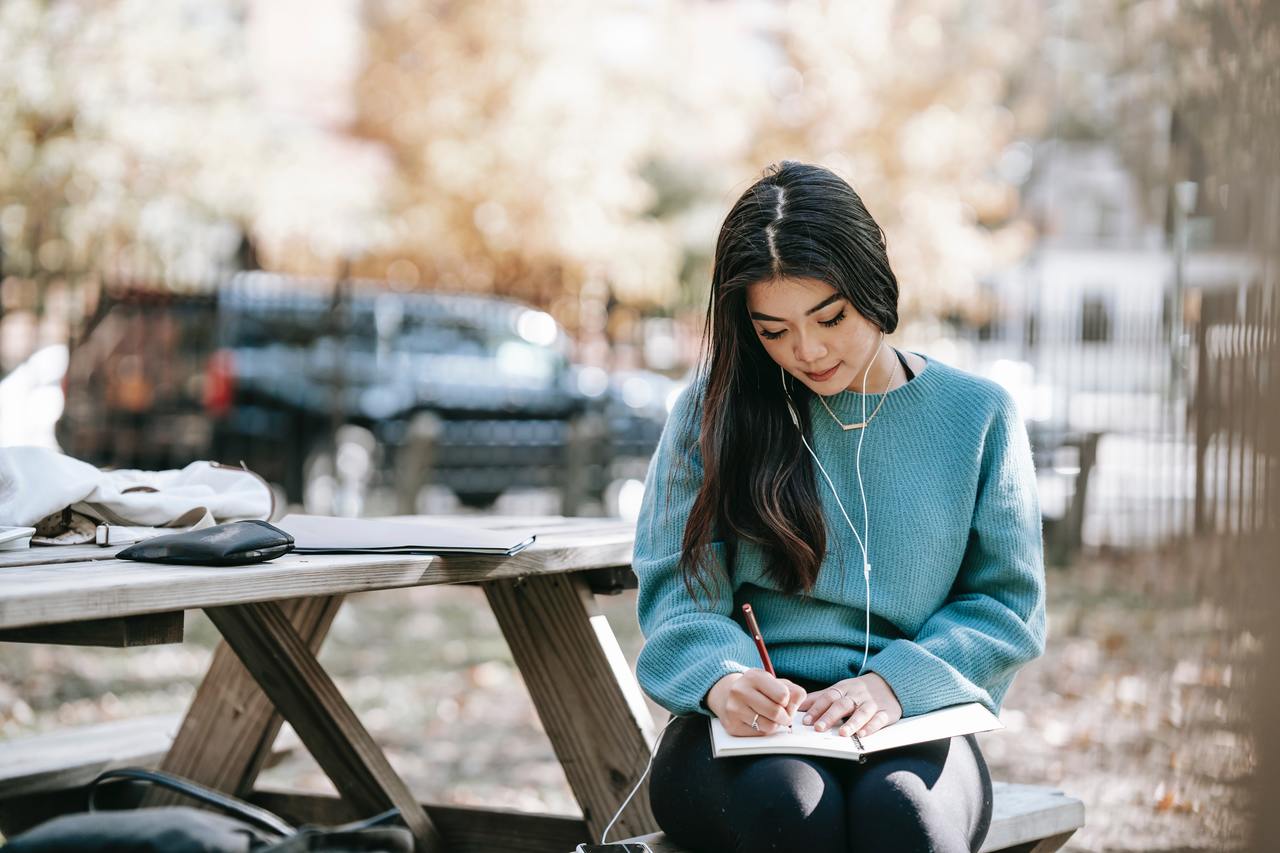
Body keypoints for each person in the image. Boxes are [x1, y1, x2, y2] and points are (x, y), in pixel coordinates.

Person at [632, 162, 1047, 853]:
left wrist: (895, 682)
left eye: (831, 316)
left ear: (871, 284)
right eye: (774, 330)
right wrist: (723, 679)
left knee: (903, 817)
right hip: (748, 732)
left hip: (913, 717)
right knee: (790, 808)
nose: (809, 350)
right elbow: (679, 591)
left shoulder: (978, 415)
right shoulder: (714, 412)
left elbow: (1007, 604)